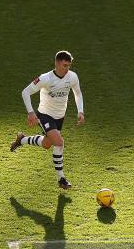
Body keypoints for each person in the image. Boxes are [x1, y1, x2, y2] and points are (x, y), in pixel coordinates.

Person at [10, 51, 85, 189]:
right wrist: (31, 113)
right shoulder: (45, 78)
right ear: (56, 63)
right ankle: (61, 178)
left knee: (46, 144)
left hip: (59, 117)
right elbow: (25, 92)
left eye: (69, 65)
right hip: (45, 115)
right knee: (59, 142)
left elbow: (78, 93)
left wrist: (80, 111)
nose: (66, 69)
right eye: (64, 65)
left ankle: (21, 139)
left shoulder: (72, 77)